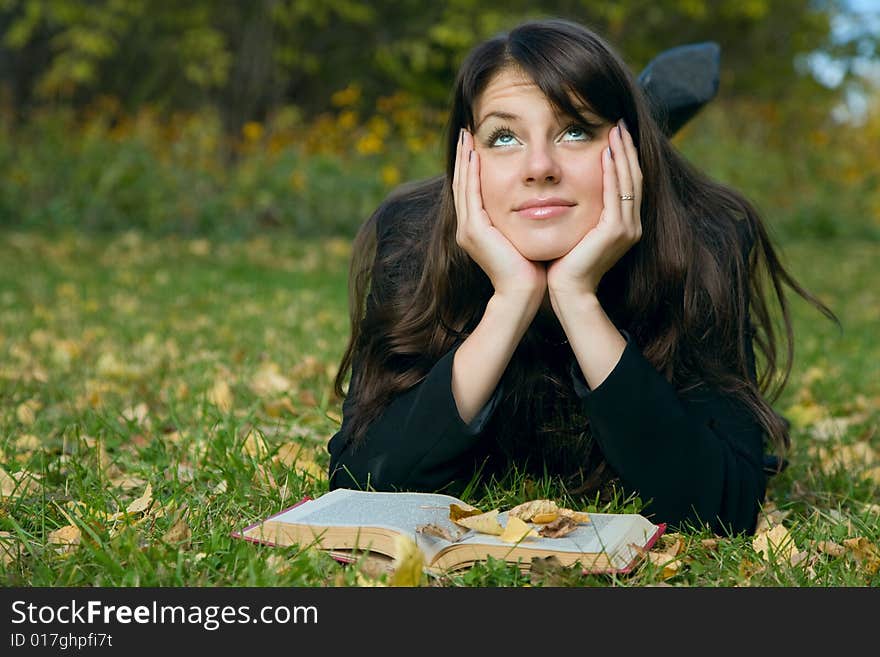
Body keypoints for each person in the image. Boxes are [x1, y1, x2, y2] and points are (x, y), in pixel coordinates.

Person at [326, 18, 836, 536]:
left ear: (626, 149)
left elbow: (723, 507)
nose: (540, 166)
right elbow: (358, 479)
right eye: (504, 137)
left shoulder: (705, 237)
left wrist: (577, 298)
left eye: (576, 130)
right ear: (467, 158)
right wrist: (511, 300)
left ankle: (640, 114)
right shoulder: (414, 236)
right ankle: (630, 109)